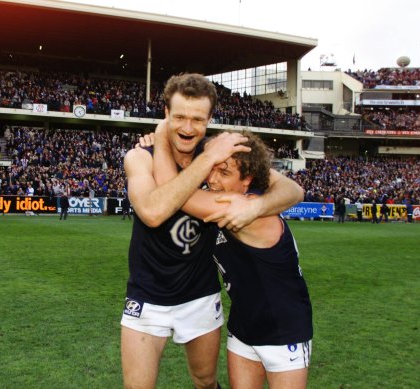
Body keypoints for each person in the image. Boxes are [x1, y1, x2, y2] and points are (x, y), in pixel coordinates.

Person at [121, 73, 304, 389]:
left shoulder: (225, 156)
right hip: (147, 294)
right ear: (166, 114)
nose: (188, 128)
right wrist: (200, 156)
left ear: (209, 119)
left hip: (200, 294)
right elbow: (152, 213)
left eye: (197, 119)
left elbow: (291, 189)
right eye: (179, 117)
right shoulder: (140, 157)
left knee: (206, 382)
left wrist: (256, 207)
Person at [153, 129, 312, 389]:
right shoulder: (248, 195)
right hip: (243, 327)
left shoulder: (240, 207)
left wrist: (160, 138)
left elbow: (173, 191)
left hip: (285, 331)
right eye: (211, 167)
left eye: (224, 172)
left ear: (248, 180)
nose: (212, 179)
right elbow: (291, 188)